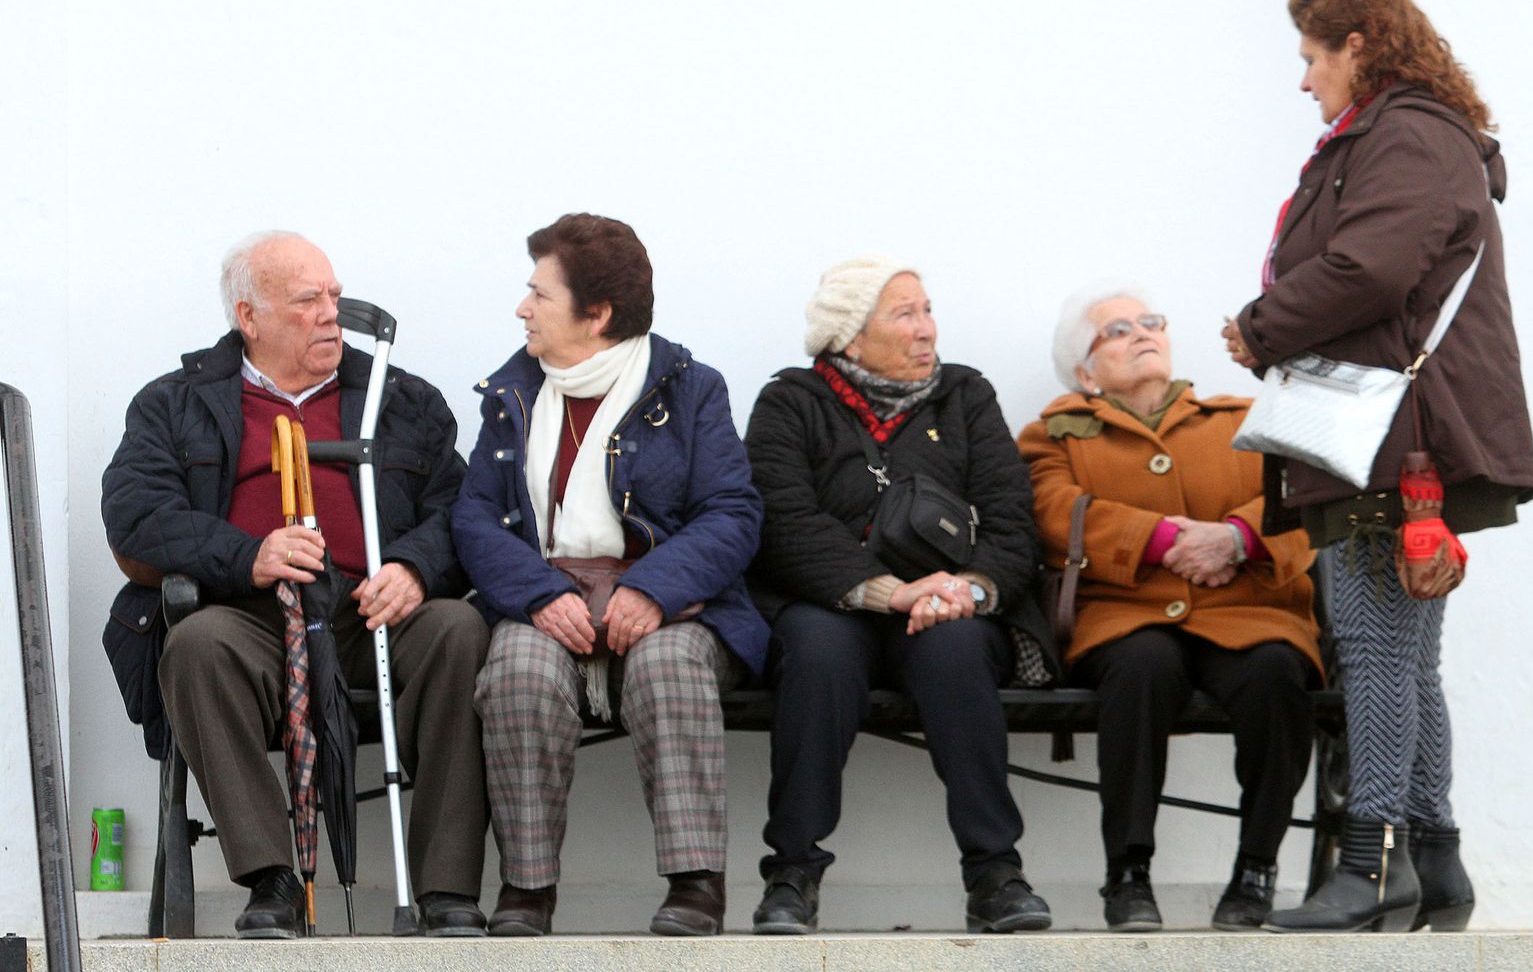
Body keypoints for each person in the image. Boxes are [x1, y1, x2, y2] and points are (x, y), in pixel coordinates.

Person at [1221, 0, 1533, 932]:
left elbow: (1373, 265)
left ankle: (1372, 862)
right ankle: (1433, 862)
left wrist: (1260, 325)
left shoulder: (1403, 134)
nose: (1304, 78)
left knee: (1369, 646)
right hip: (1406, 435)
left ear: (1359, 44)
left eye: (1312, 56)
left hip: (1390, 441)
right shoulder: (1415, 133)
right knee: (1405, 654)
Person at [101, 231, 490, 938]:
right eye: (308, 299)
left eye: (335, 297)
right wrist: (245, 553)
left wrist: (413, 566)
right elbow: (135, 515)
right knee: (195, 645)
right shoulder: (175, 402)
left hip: (371, 612)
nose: (330, 314)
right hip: (251, 614)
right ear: (249, 317)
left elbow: (460, 508)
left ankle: (445, 886)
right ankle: (271, 878)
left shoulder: (398, 398)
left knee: (459, 629)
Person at [451, 213, 766, 937]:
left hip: (673, 606)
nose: (521, 308)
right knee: (518, 670)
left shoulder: (692, 388)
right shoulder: (513, 392)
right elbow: (472, 518)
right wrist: (539, 593)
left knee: (667, 665)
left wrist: (651, 587)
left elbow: (732, 513)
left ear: (597, 315)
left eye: (539, 295)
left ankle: (695, 885)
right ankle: (526, 890)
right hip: (546, 596)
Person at [743, 256, 1056, 935]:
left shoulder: (967, 395)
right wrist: (889, 591)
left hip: (949, 606)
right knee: (818, 653)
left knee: (957, 649)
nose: (926, 328)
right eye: (904, 313)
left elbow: (1011, 520)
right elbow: (784, 524)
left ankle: (995, 872)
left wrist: (966, 587)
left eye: (927, 309)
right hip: (833, 603)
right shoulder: (790, 402)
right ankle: (792, 872)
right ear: (850, 336)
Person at [1018, 287, 1321, 932]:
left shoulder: (1243, 419)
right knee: (1142, 668)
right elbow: (1048, 511)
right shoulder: (1053, 435)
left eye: (1151, 323)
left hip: (1246, 609)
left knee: (1275, 673)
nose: (1142, 333)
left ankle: (1256, 868)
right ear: (1084, 372)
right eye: (1117, 330)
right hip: (1125, 614)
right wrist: (1161, 540)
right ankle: (1127, 875)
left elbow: (1300, 500)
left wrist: (1237, 538)